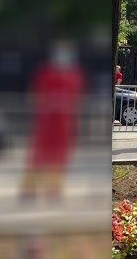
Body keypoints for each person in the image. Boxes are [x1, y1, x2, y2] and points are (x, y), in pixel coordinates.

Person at [21, 41, 85, 201]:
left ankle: (53, 190)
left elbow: (76, 99)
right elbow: (37, 95)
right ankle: (30, 189)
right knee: (39, 156)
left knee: (59, 158)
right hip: (46, 122)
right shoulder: (46, 74)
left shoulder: (73, 76)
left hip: (63, 123)